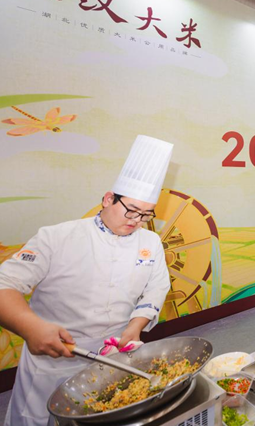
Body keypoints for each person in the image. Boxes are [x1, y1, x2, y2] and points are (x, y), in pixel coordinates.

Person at [0, 135, 174, 426]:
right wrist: (31, 327)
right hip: (55, 358)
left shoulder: (150, 242)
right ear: (108, 199)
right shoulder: (57, 237)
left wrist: (135, 326)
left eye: (145, 215)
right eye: (131, 210)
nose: (136, 220)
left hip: (113, 355)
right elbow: (4, 285)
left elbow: (156, 287)